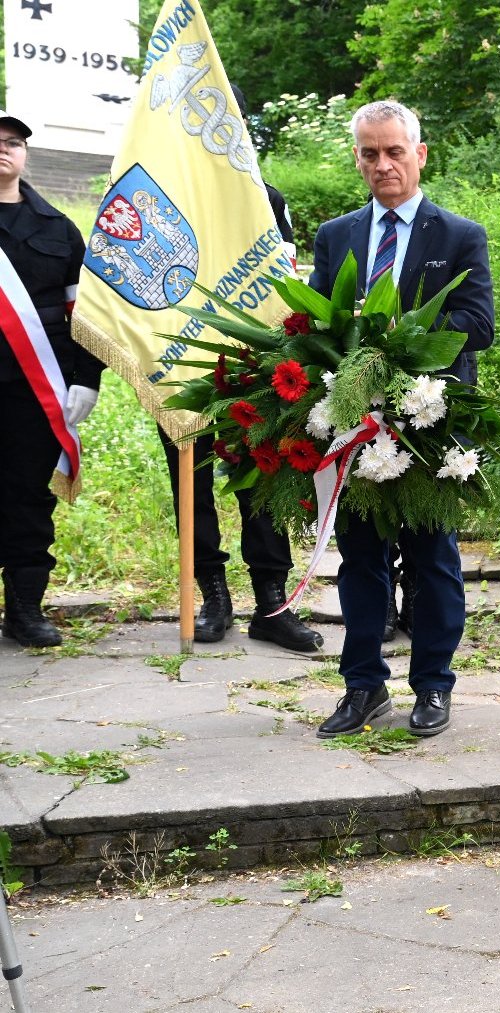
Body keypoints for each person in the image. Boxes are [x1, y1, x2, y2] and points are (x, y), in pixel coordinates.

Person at [306, 99, 493, 738]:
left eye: (393, 151)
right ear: (356, 157)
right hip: (357, 425)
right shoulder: (335, 236)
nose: (382, 165)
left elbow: (479, 325)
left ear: (420, 153)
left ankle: (433, 687)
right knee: (359, 558)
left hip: (430, 424)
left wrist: (400, 336)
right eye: (369, 153)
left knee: (433, 556)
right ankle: (363, 687)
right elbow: (318, 325)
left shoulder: (459, 235)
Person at [157, 84, 323, 652]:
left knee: (263, 481)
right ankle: (213, 598)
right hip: (181, 365)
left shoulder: (266, 200)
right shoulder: (161, 203)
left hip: (253, 368)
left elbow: (284, 283)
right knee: (191, 488)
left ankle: (271, 605)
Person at [0, 111, 102, 649]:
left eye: (12, 142)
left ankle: (24, 609)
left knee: (25, 499)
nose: (4, 150)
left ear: (25, 154)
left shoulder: (59, 228)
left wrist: (88, 379)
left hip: (33, 391)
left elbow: (84, 314)